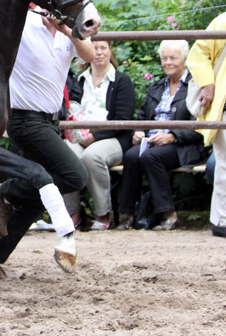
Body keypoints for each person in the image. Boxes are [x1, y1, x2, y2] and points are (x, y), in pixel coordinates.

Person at [0, 7, 94, 279]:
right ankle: (8, 191)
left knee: (35, 201)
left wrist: (66, 30)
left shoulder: (67, 31)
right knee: (74, 175)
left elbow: (90, 55)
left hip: (51, 122)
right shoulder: (23, 24)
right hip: (25, 121)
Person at [117, 40, 205, 231]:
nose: (168, 62)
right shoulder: (156, 86)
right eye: (164, 58)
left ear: (184, 59)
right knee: (131, 156)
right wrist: (138, 131)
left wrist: (172, 136)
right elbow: (141, 117)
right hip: (152, 141)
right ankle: (128, 215)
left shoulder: (195, 86)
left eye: (173, 58)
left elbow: (199, 125)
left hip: (181, 145)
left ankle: (169, 215)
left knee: (151, 157)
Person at [62, 40, 136, 230]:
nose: (99, 52)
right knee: (64, 154)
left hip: (113, 138)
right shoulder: (79, 80)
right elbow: (71, 111)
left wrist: (94, 136)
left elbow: (123, 120)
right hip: (81, 136)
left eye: (104, 48)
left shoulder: (121, 81)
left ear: (111, 51)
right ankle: (73, 214)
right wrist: (77, 133)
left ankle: (103, 214)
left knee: (92, 156)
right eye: (95, 48)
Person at [186, 13, 226, 238]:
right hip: (225, 103)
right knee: (225, 164)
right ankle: (222, 219)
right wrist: (207, 84)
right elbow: (198, 53)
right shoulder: (223, 22)